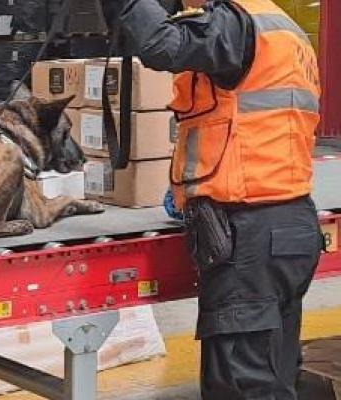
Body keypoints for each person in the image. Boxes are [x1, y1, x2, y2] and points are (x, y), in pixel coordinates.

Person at [101, 0, 324, 398]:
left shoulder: (233, 25)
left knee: (241, 383)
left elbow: (162, 45)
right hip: (287, 223)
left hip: (250, 232)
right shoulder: (280, 27)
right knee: (272, 375)